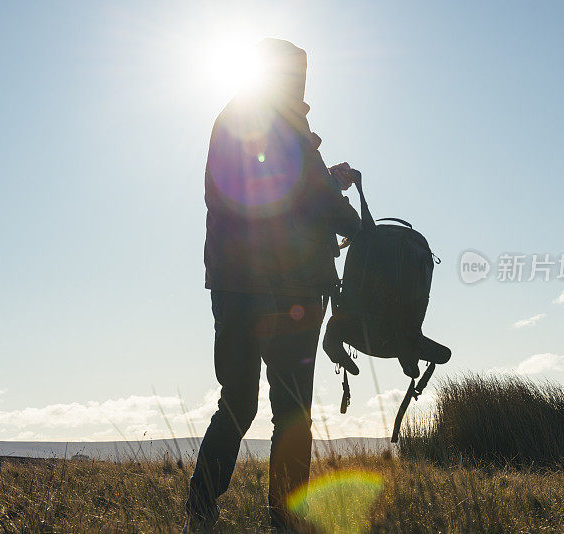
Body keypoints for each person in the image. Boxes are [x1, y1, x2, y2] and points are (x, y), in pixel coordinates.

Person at [185, 38, 362, 532]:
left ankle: (200, 512)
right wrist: (351, 218)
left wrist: (327, 178)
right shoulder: (284, 124)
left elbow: (266, 189)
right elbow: (304, 195)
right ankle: (284, 518)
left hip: (233, 285)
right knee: (292, 409)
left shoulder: (236, 116)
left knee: (237, 401)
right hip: (290, 291)